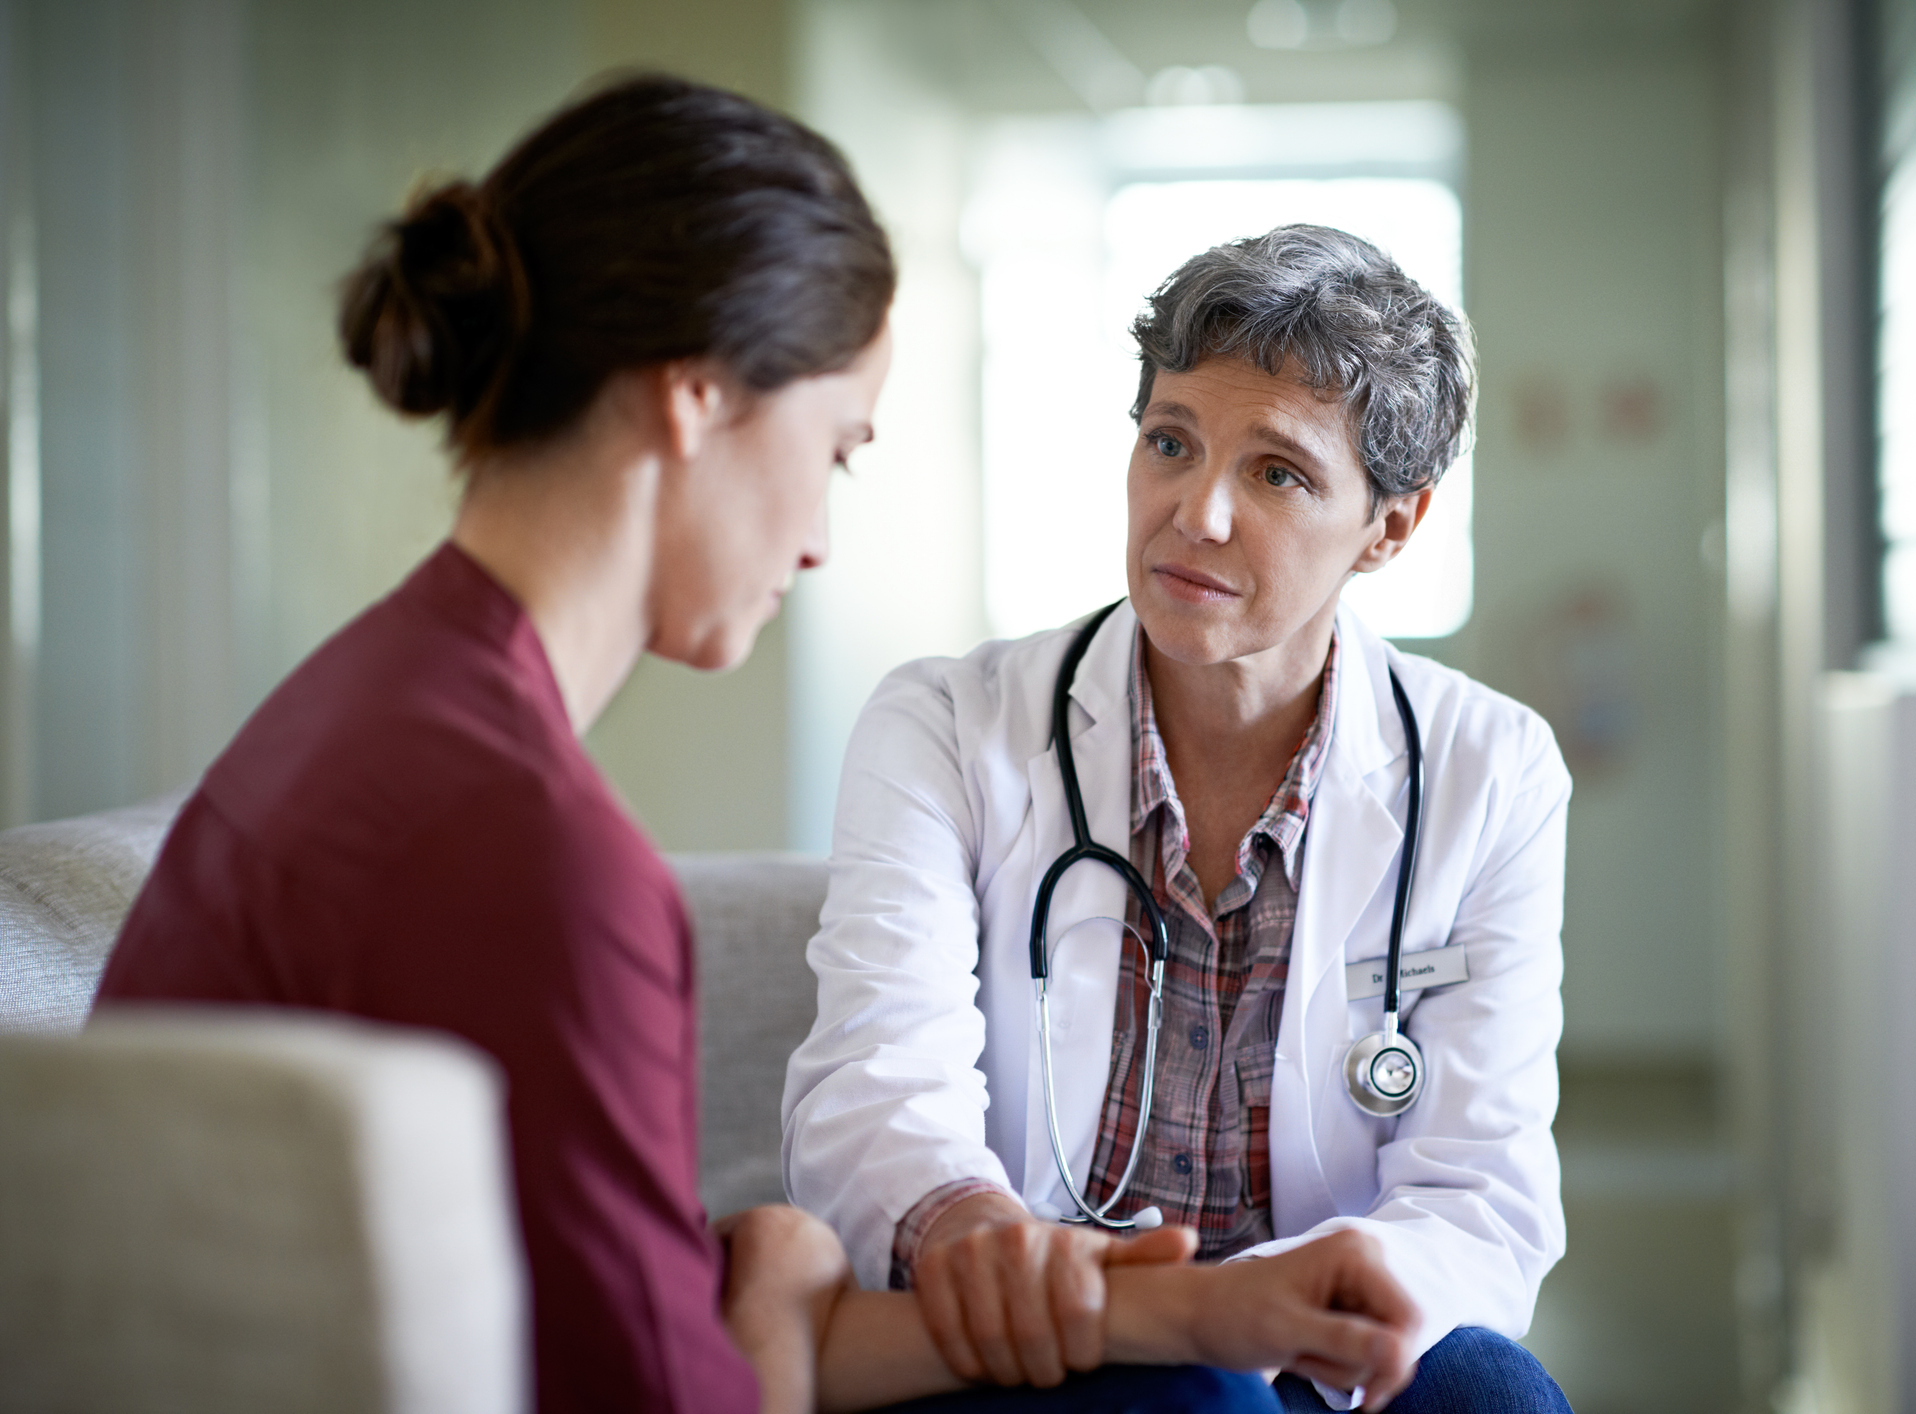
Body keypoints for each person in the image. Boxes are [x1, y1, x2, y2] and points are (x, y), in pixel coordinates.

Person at [93, 78, 1426, 1414]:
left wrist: (1170, 1304)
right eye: (834, 450)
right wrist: (780, 1285)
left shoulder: (373, 699)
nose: (816, 539)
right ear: (696, 398)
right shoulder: (527, 848)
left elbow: (618, 1307)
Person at [783, 225, 1575, 1413]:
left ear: (1390, 526)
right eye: (1170, 442)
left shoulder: (1490, 769)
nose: (1195, 512)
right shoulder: (946, 726)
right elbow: (875, 1087)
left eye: (1278, 472)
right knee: (1199, 1397)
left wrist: (1252, 1316)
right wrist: (985, 1234)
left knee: (1489, 1396)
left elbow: (1479, 1190)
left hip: (1325, 1323)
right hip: (1051, 1329)